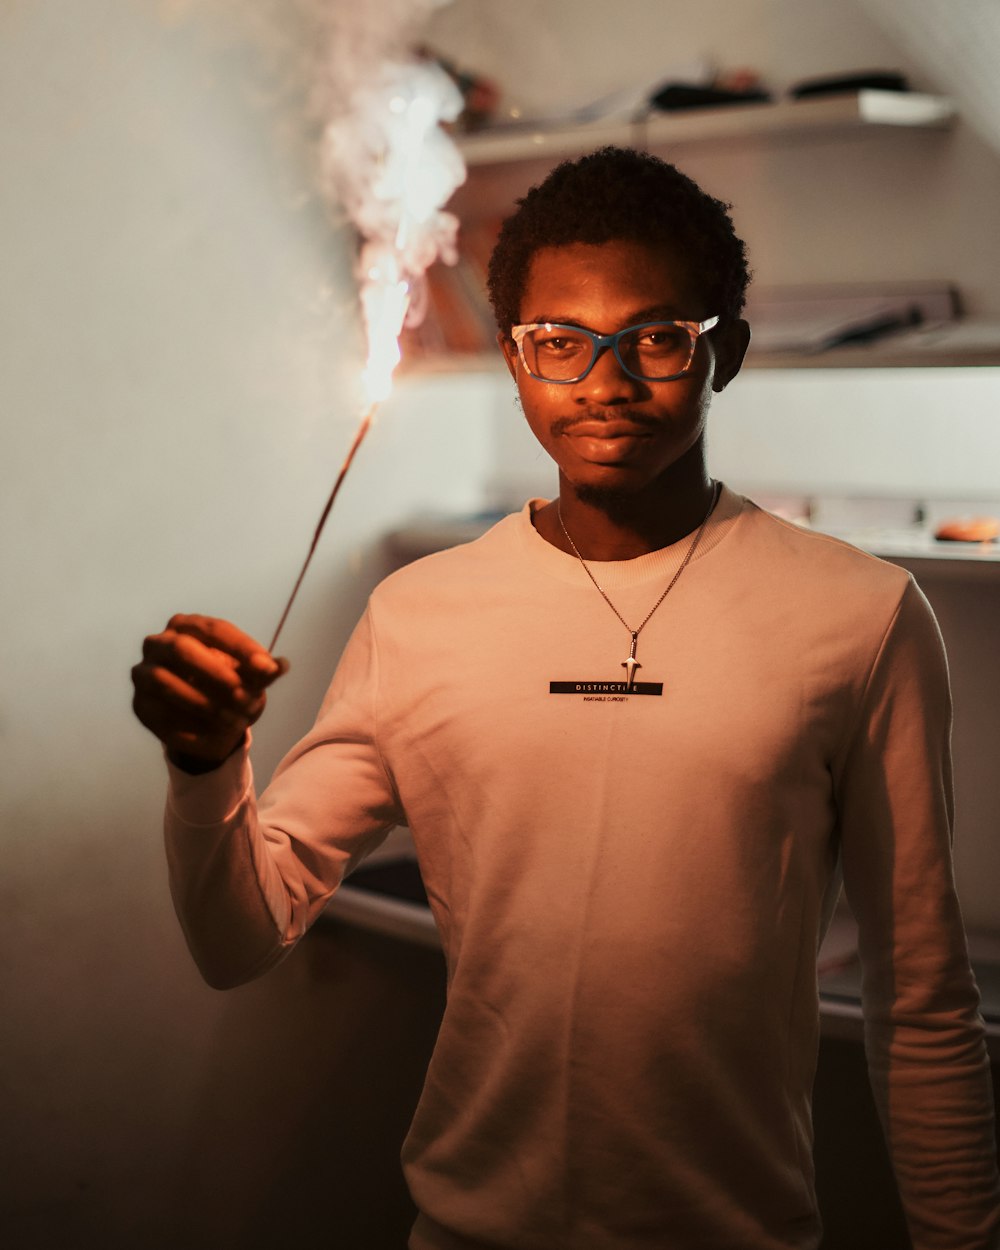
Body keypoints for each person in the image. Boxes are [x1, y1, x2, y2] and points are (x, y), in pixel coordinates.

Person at [132, 146, 1000, 1249]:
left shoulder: (860, 615)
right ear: (513, 357)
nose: (604, 381)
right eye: (559, 342)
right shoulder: (420, 615)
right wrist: (205, 766)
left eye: (654, 337)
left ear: (721, 350)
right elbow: (238, 937)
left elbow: (922, 999)